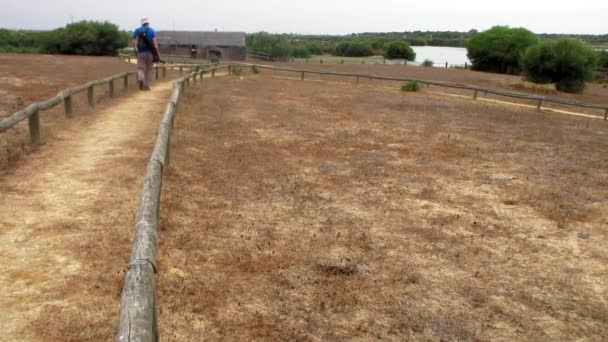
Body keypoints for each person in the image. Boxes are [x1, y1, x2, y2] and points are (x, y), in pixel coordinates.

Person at [133, 17, 159, 91]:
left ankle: (141, 78)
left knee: (140, 68)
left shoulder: (137, 30)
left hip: (140, 52)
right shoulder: (151, 30)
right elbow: (154, 43)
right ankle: (146, 86)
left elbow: (134, 42)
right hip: (149, 53)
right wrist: (157, 52)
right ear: (148, 23)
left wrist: (135, 50)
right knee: (148, 69)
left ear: (142, 23)